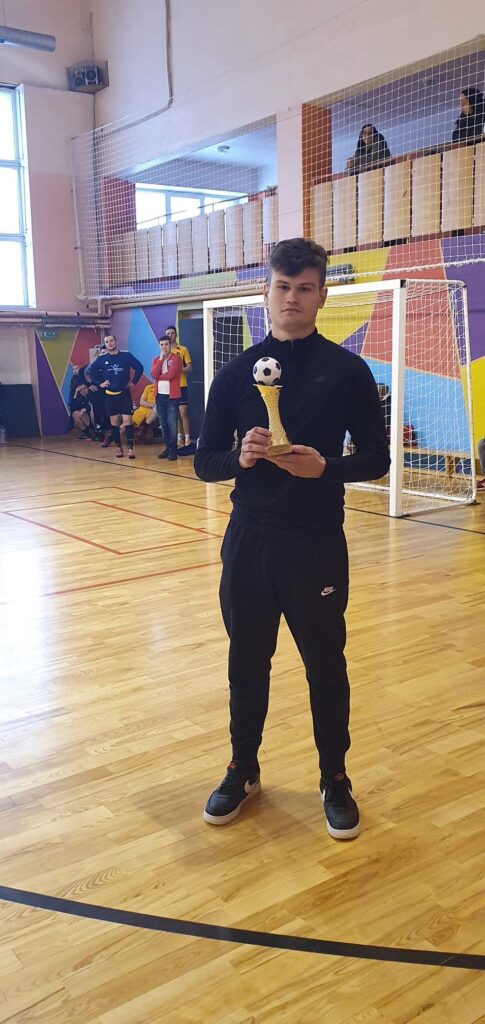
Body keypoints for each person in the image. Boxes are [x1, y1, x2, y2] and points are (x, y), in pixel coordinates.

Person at [194, 237, 390, 840]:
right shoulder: (236, 373)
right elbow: (205, 462)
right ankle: (242, 768)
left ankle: (335, 777)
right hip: (250, 542)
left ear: (322, 295)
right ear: (266, 292)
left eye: (305, 288)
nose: (292, 298)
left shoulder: (347, 372)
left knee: (326, 665)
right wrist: (240, 457)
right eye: (283, 287)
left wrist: (326, 467)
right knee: (246, 661)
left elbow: (377, 458)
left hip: (315, 542)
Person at [86, 335, 143, 459]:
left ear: (115, 342)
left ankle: (131, 449)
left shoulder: (126, 356)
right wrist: (100, 383)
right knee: (115, 423)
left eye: (111, 341)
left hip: (124, 394)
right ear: (105, 344)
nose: (109, 343)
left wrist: (133, 382)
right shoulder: (102, 359)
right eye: (107, 342)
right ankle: (118, 448)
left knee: (128, 422)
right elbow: (90, 371)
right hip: (110, 395)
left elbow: (139, 367)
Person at [151, 336, 182, 461]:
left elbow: (170, 375)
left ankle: (173, 451)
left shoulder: (176, 359)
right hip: (159, 396)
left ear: (170, 345)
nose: (164, 347)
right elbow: (153, 373)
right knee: (163, 425)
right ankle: (168, 448)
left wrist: (158, 377)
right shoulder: (156, 360)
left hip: (172, 397)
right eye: (162, 344)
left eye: (166, 344)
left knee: (172, 424)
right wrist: (161, 360)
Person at [166, 325, 194, 452]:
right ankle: (178, 438)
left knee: (183, 412)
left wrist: (179, 369)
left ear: (176, 334)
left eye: (172, 333)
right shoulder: (164, 351)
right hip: (169, 386)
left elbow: (190, 367)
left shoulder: (182, 349)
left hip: (181, 384)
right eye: (168, 333)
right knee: (174, 413)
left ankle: (188, 438)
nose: (170, 335)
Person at [69, 366, 93, 440]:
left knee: (84, 413)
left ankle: (93, 432)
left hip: (89, 410)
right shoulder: (73, 382)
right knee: (75, 414)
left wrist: (85, 409)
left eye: (76, 369)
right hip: (80, 407)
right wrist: (76, 393)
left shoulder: (88, 390)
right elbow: (73, 405)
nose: (75, 370)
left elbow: (91, 405)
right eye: (73, 369)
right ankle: (87, 433)